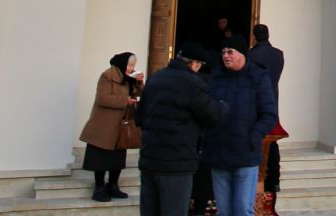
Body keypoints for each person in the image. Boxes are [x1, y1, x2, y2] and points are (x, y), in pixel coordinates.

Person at [134, 42, 225, 216]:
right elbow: (212, 115)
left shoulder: (155, 78)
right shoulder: (193, 83)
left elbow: (139, 118)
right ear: (195, 63)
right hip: (177, 164)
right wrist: (223, 105)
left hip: (149, 161)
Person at [203, 41, 278, 216]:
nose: (226, 56)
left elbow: (269, 114)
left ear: (243, 54)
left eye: (230, 51)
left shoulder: (258, 77)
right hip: (218, 152)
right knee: (224, 211)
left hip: (245, 154)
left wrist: (254, 136)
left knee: (242, 210)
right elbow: (206, 109)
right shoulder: (216, 77)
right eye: (223, 52)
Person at [79, 51, 143, 202]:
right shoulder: (107, 76)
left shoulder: (129, 79)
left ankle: (113, 185)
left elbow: (139, 94)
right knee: (100, 157)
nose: (132, 68)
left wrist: (139, 82)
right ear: (122, 63)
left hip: (121, 124)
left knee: (118, 157)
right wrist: (124, 101)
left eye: (133, 65)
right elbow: (102, 99)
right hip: (104, 125)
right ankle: (99, 187)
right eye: (130, 65)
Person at [245, 25, 285, 202]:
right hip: (273, 99)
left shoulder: (251, 55)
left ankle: (258, 179)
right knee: (272, 140)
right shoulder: (278, 54)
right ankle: (274, 180)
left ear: (254, 37)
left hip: (256, 102)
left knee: (259, 139)